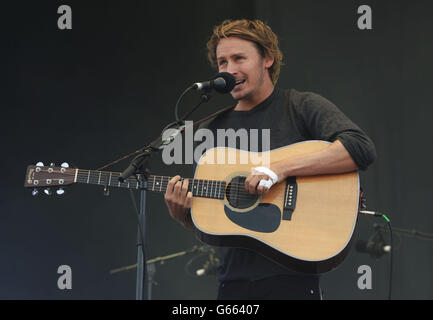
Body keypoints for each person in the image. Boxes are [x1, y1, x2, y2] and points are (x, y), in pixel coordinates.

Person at [164, 19, 376, 300]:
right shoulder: (210, 129)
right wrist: (185, 218)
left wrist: (279, 169)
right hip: (233, 286)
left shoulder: (300, 106)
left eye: (239, 58)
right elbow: (214, 219)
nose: (229, 70)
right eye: (222, 62)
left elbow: (360, 147)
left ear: (267, 58)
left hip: (293, 280)